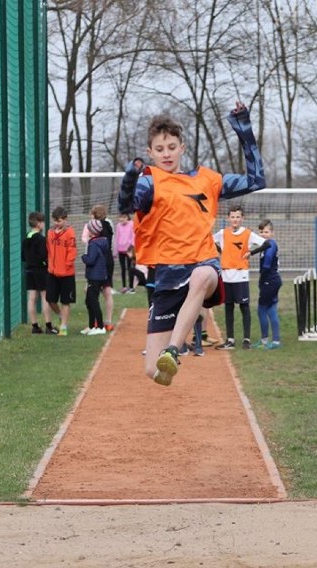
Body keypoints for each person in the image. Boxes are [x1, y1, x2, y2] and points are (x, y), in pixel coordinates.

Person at [118, 100, 265, 386]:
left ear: (182, 147)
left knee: (201, 275)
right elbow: (126, 204)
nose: (166, 153)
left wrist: (243, 129)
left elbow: (256, 180)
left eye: (172, 147)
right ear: (150, 153)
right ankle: (167, 359)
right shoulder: (149, 182)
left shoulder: (206, 180)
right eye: (159, 149)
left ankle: (174, 350)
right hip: (167, 276)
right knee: (153, 372)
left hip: (203, 264)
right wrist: (129, 177)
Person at [213, 204, 267, 350]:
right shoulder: (223, 233)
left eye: (238, 217)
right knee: (228, 307)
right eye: (232, 217)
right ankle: (230, 340)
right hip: (226, 275)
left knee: (244, 306)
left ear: (242, 218)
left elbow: (266, 243)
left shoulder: (248, 234)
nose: (235, 220)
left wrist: (251, 253)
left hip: (241, 274)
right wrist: (221, 251)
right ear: (228, 218)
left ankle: (246, 339)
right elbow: (210, 240)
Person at [22, 211, 57, 334]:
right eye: (42, 222)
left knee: (31, 298)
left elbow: (23, 257)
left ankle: (35, 326)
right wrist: (46, 265)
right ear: (38, 223)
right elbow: (44, 256)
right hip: (40, 271)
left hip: (29, 270)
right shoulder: (41, 239)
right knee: (45, 297)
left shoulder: (26, 238)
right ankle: (48, 326)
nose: (43, 224)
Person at [46, 206, 76, 336]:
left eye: (59, 221)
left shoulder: (70, 233)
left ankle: (63, 326)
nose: (57, 223)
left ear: (65, 220)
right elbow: (48, 249)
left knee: (65, 301)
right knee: (50, 299)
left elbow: (72, 250)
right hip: (52, 272)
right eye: (55, 221)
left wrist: (67, 264)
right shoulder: (50, 232)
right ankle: (60, 314)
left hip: (66, 274)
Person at [255, 219, 282, 350]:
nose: (263, 234)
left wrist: (262, 280)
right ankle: (275, 340)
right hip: (273, 280)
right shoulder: (265, 245)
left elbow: (267, 264)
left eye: (266, 232)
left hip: (269, 280)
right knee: (271, 308)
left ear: (272, 233)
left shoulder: (270, 245)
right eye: (261, 232)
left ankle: (266, 340)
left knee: (261, 310)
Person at [80, 219, 109, 335]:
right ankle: (92, 325)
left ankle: (100, 326)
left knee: (93, 301)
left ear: (92, 231)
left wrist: (84, 257)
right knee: (89, 301)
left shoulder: (93, 244)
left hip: (94, 276)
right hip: (99, 275)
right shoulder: (102, 242)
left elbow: (90, 260)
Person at [114, 213, 135, 293]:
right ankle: (124, 286)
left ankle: (131, 287)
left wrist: (131, 248)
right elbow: (117, 237)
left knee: (130, 268)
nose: (122, 219)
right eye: (120, 217)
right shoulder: (118, 226)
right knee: (123, 269)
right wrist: (115, 251)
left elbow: (133, 236)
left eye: (124, 217)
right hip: (120, 250)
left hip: (129, 250)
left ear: (127, 217)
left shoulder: (131, 224)